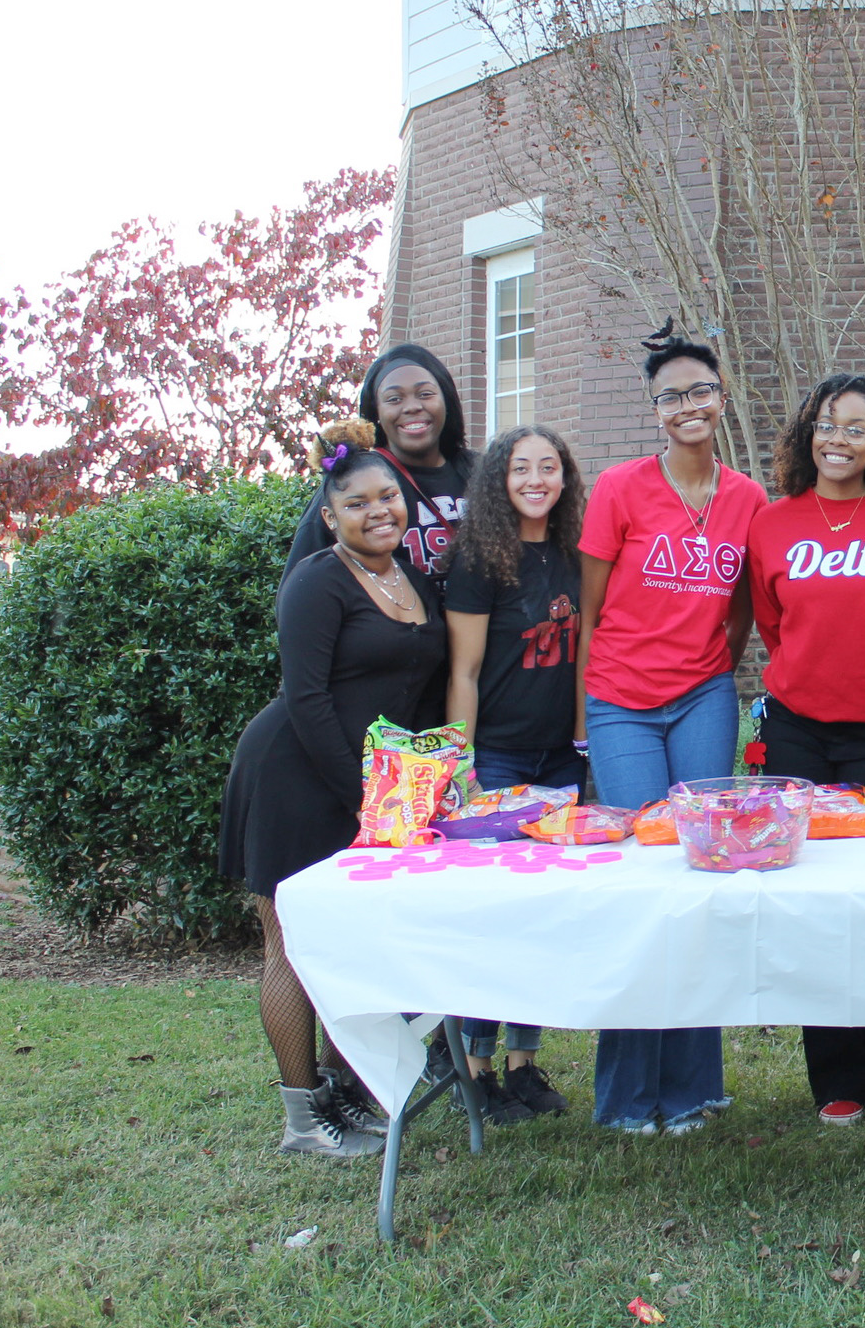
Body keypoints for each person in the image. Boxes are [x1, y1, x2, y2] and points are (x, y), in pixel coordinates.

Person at [219, 420, 448, 1157]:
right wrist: (364, 800)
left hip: (368, 787)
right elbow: (308, 700)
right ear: (329, 516)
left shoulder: (410, 576)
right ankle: (302, 1120)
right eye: (357, 503)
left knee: (351, 943)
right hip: (294, 772)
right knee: (288, 945)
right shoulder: (317, 580)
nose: (378, 510)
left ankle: (345, 1097)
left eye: (388, 496)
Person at [579, 323, 766, 1136]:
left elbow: (742, 612)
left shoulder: (746, 498)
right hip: (621, 699)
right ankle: (626, 1093)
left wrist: (707, 671)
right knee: (642, 877)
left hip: (702, 698)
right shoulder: (619, 488)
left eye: (699, 391)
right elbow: (588, 608)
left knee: (702, 874)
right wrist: (589, 699)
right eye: (669, 396)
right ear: (654, 411)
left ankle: (693, 1082)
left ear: (721, 399)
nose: (686, 405)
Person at [746, 374, 865, 1128]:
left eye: (855, 428)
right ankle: (835, 1073)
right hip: (796, 729)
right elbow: (771, 624)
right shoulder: (772, 521)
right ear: (806, 433)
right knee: (809, 901)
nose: (837, 438)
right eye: (825, 424)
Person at [439, 424, 587, 1126]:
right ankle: (475, 1065)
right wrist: (461, 763)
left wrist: (585, 739)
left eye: (548, 466)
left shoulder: (574, 553)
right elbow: (464, 670)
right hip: (497, 759)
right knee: (492, 915)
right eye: (521, 467)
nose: (535, 478)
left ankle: (524, 1063)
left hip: (558, 758)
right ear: (499, 479)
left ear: (565, 478)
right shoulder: (478, 557)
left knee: (540, 920)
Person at [286, 345, 473, 584]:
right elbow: (299, 589)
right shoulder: (356, 479)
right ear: (376, 412)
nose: (412, 406)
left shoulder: (482, 472)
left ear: (446, 400)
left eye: (425, 394)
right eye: (394, 399)